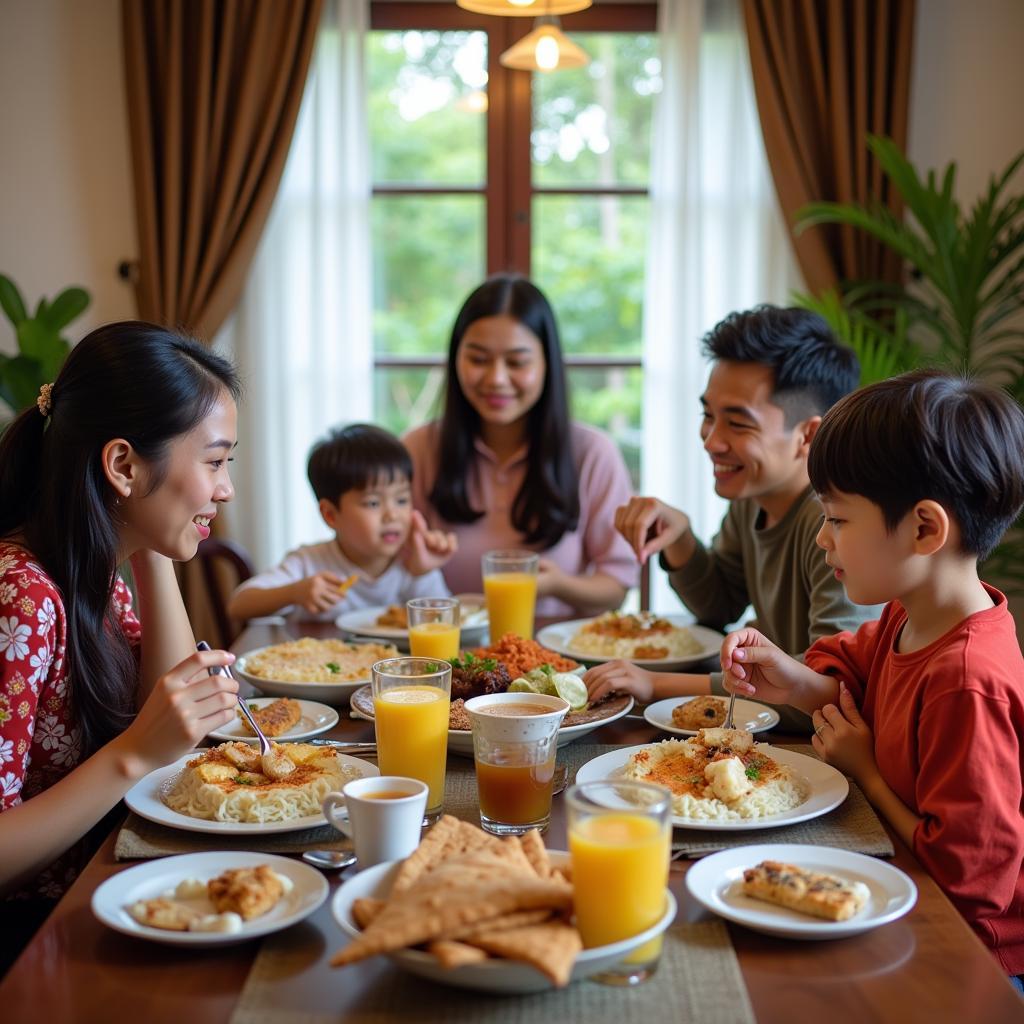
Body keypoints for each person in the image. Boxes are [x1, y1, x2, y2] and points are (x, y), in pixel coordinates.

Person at [720, 369, 1024, 986]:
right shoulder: (906, 618)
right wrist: (789, 676)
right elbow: (849, 680)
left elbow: (970, 881)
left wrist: (866, 771)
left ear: (923, 528)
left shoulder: (967, 680)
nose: (822, 537)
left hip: (970, 958)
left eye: (837, 519)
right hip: (905, 892)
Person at [0, 322, 242, 968]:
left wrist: (152, 540)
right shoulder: (22, 596)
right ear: (123, 464)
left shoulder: (98, 568)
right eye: (215, 461)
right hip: (34, 941)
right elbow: (144, 745)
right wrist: (134, 756)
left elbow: (158, 713)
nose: (226, 489)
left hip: (104, 886)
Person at [587, 305, 879, 729]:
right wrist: (681, 539)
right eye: (708, 415)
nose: (711, 440)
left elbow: (831, 682)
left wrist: (657, 683)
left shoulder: (834, 523)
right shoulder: (753, 497)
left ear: (808, 435)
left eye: (738, 424)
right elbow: (720, 602)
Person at [404, 274, 638, 618]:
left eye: (517, 362)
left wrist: (558, 584)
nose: (496, 379)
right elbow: (378, 565)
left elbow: (616, 588)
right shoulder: (420, 448)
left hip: (556, 660)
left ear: (547, 363)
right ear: (456, 360)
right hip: (446, 659)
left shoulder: (591, 453)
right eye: (478, 359)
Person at [228, 424, 457, 624]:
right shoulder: (309, 563)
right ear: (330, 515)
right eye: (374, 503)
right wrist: (295, 593)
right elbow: (238, 606)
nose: (392, 515)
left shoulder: (411, 563)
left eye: (401, 500)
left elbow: (443, 622)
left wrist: (423, 573)